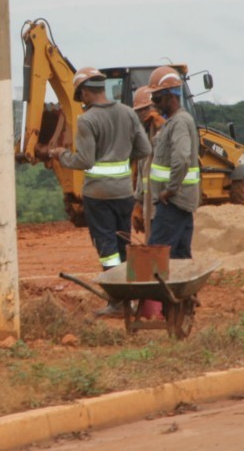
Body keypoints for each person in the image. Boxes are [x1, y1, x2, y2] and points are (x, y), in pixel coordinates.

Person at [50, 67, 152, 317]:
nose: (81, 100)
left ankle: (116, 301)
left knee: (107, 247)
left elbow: (83, 160)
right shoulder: (128, 113)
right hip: (124, 193)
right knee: (123, 242)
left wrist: (60, 155)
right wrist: (122, 158)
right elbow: (145, 148)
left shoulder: (87, 120)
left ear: (85, 92)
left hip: (98, 195)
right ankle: (130, 296)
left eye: (80, 95)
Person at [143, 66, 201, 259]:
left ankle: (154, 290)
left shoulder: (179, 122)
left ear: (171, 97)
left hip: (173, 202)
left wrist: (170, 189)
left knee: (155, 256)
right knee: (179, 256)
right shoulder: (175, 122)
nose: (154, 104)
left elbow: (182, 158)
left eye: (157, 99)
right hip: (180, 202)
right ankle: (184, 290)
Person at [131, 85, 165, 235]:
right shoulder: (143, 137)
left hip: (163, 205)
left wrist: (161, 130)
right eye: (139, 111)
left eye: (145, 109)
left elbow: (165, 154)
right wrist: (138, 202)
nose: (142, 114)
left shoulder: (166, 131)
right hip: (149, 207)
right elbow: (141, 174)